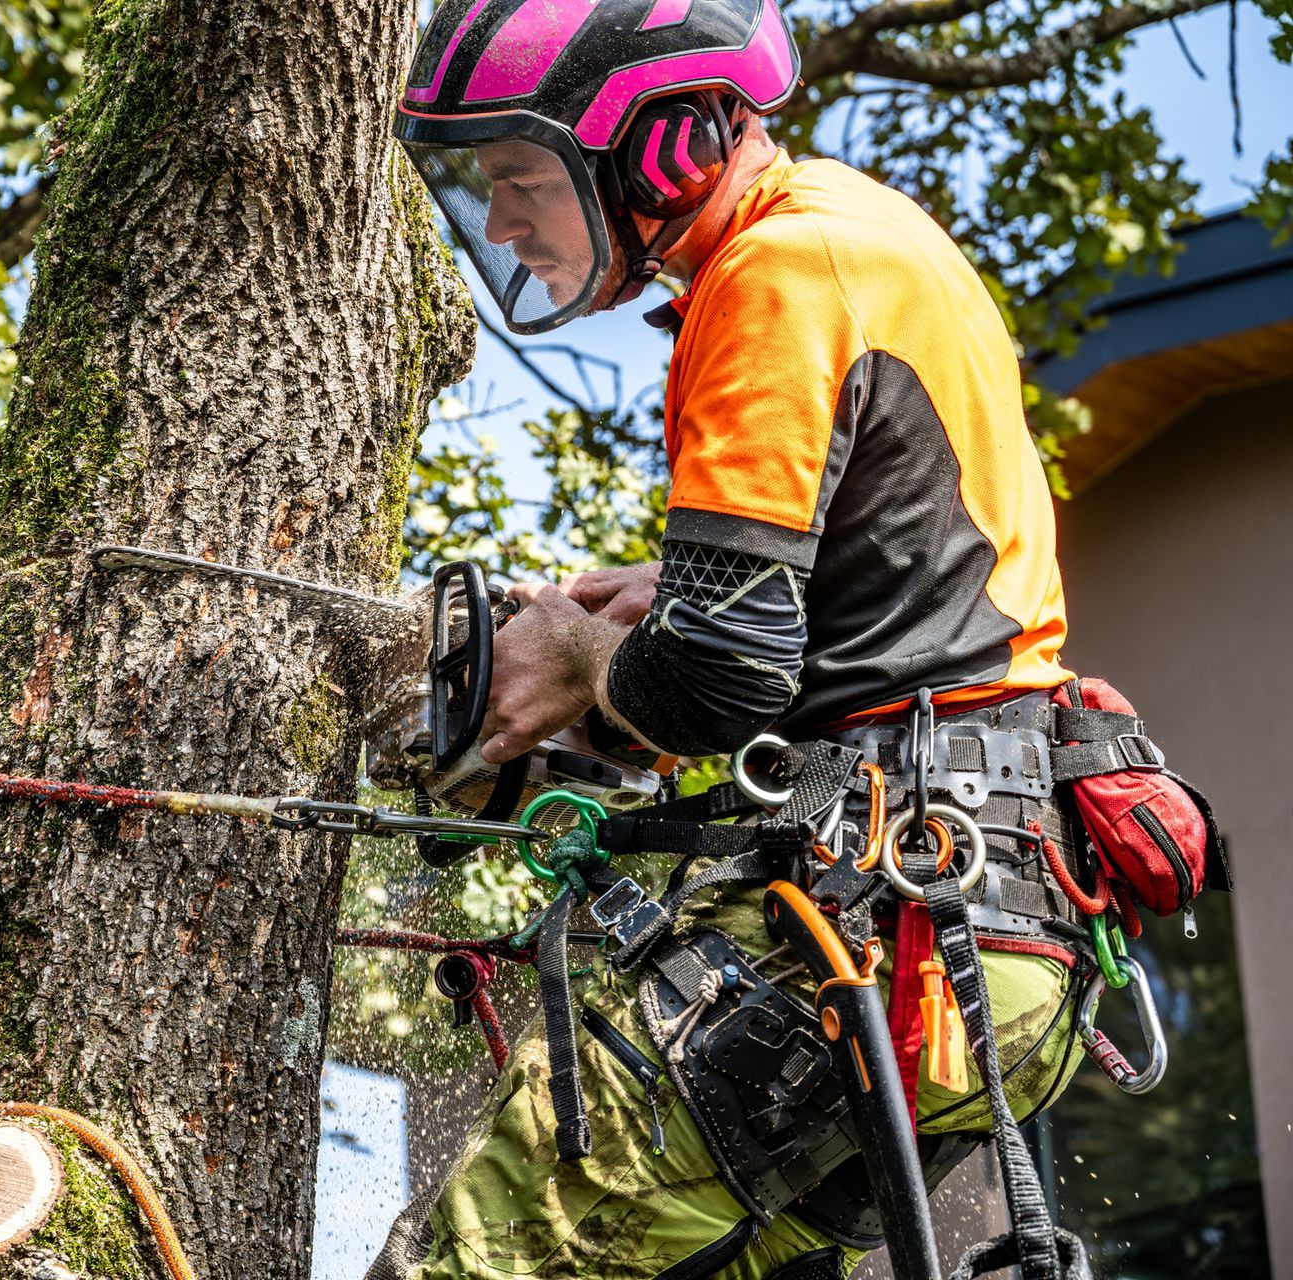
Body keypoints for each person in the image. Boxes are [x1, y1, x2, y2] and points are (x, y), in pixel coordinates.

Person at [370, 1, 1100, 1276]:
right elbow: (889, 605)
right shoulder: (856, 231)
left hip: (885, 928)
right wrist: (667, 594)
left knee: (478, 1255)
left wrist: (571, 655)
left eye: (519, 176)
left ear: (657, 151)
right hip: (983, 925)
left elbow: (716, 678)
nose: (498, 223)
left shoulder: (775, 272)